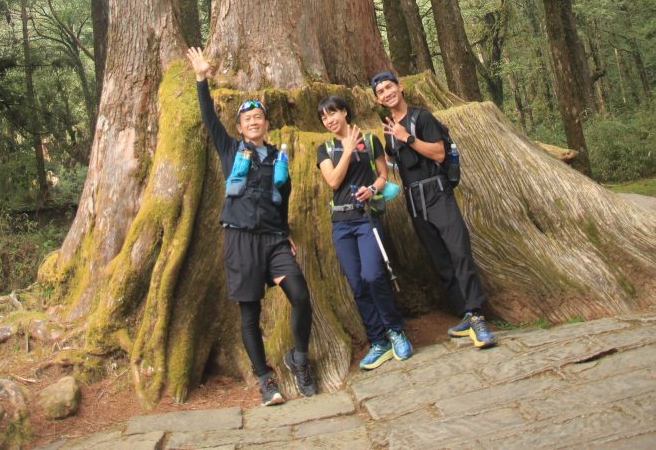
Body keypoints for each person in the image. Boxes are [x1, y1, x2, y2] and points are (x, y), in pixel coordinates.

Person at [186, 47, 317, 406]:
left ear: (266, 123)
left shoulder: (278, 158)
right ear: (241, 128)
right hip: (240, 239)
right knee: (249, 313)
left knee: (301, 296)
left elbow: (283, 197)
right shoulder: (230, 150)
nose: (254, 122)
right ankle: (265, 379)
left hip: (274, 241)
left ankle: (299, 359)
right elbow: (209, 118)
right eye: (248, 119)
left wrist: (287, 233)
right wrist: (201, 78)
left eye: (259, 117)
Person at [371, 70, 496, 349]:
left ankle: (478, 316)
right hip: (414, 200)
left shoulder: (421, 118)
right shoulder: (389, 127)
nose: (387, 94)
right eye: (380, 92)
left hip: (437, 192)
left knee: (458, 251)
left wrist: (408, 138)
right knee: (440, 259)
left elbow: (439, 154)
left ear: (400, 87)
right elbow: (393, 163)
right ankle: (465, 312)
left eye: (389, 87)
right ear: (378, 100)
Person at [316, 95, 413, 369]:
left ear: (345, 112)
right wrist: (346, 151)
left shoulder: (371, 142)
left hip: (366, 219)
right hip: (341, 224)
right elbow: (333, 181)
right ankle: (378, 341)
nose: (329, 120)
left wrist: (371, 189)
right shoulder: (324, 149)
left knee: (373, 276)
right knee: (357, 283)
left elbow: (383, 176)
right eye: (324, 117)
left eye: (333, 113)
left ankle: (395, 331)